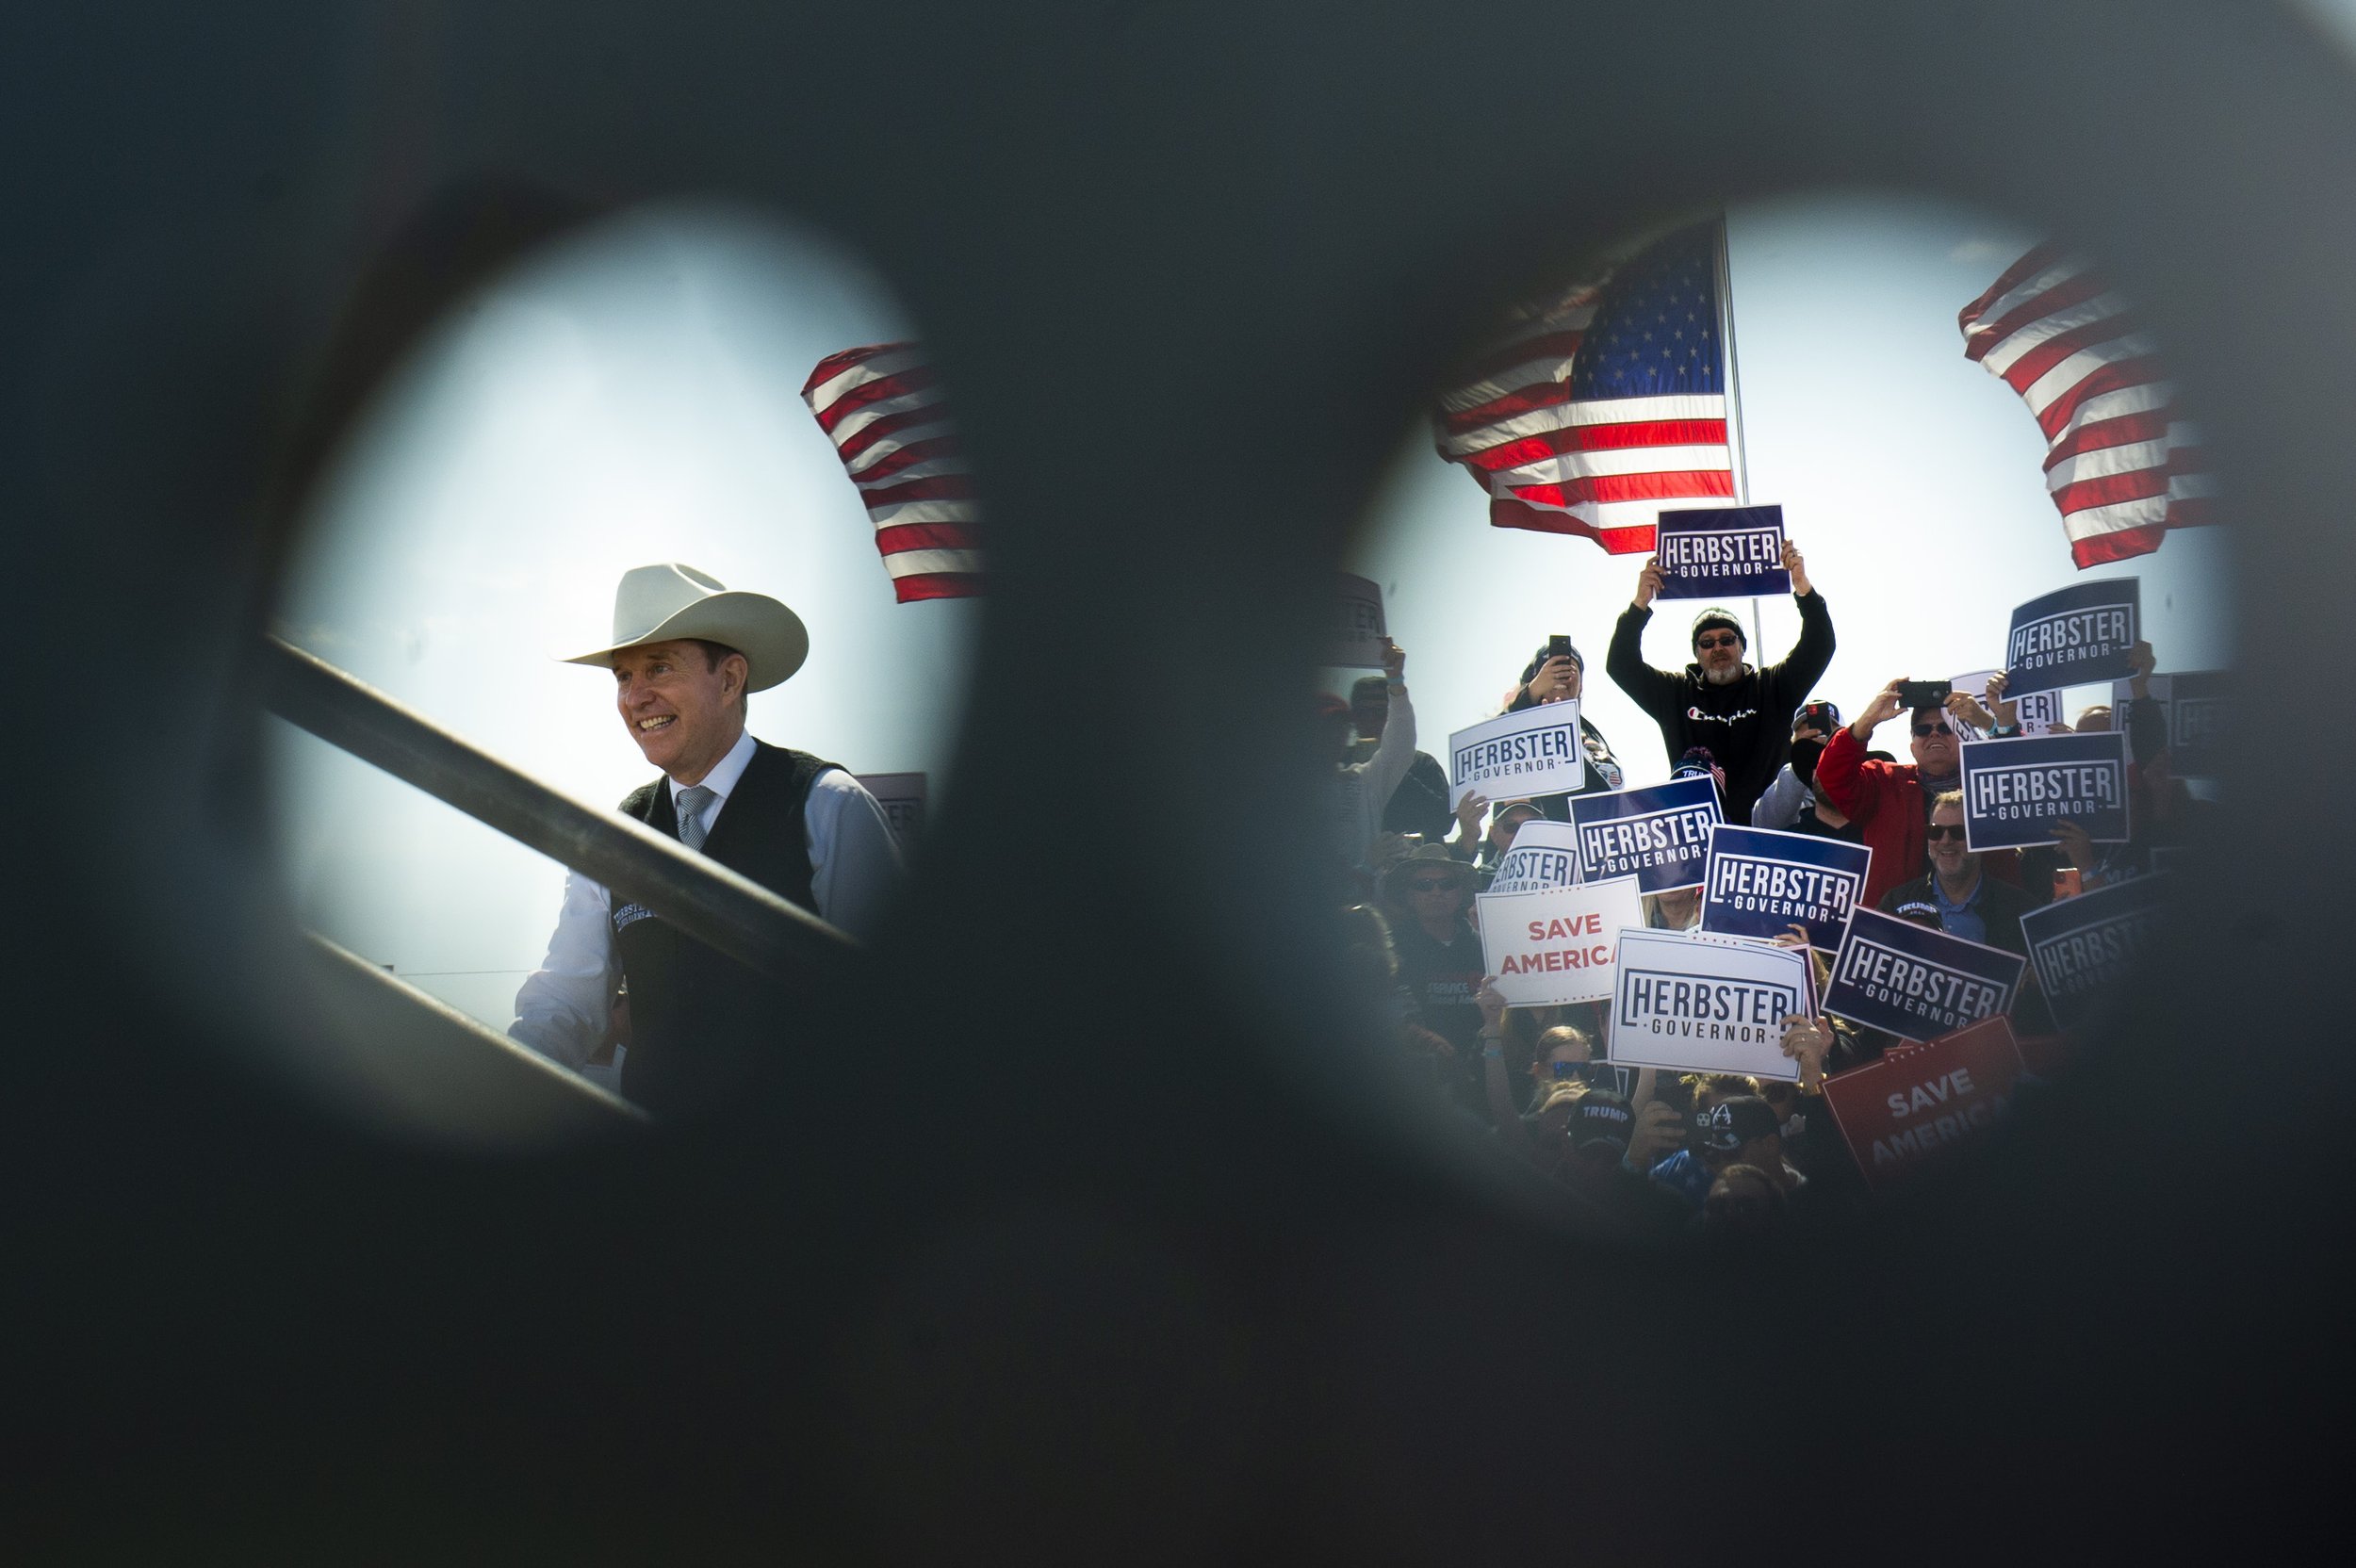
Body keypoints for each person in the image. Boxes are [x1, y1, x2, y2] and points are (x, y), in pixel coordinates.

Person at [509, 563, 905, 1111]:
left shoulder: (827, 804)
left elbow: (888, 1005)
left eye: (660, 667)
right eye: (623, 676)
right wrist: (501, 1083)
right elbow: (566, 1001)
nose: (636, 697)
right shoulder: (613, 840)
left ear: (729, 679)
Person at [1605, 539, 1835, 824]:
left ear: (1742, 646)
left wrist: (1802, 587)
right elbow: (1620, 665)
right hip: (1701, 832)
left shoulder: (1773, 687)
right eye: (1707, 642)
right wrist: (1640, 604)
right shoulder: (1676, 693)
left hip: (1767, 830)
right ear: (1696, 652)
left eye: (1727, 639)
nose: (1717, 648)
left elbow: (1820, 645)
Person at [1815, 677, 2018, 910]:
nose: (1934, 734)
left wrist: (1994, 724)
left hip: (1987, 928)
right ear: (1912, 746)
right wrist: (1868, 720)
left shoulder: (1988, 782)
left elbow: (2024, 781)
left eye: (1945, 727)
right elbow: (1831, 775)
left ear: (1961, 737)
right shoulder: (1883, 781)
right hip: (1895, 930)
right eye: (1923, 729)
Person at [1879, 792, 2037, 956]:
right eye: (1935, 832)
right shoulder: (1895, 903)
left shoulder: (2021, 911)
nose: (1946, 841)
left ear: (1980, 839)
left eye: (1958, 832)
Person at [1380, 843, 1486, 1069]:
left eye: (1447, 884)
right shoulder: (1391, 948)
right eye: (1424, 885)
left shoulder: (1485, 944)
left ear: (1460, 893)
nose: (1436, 892)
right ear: (1408, 896)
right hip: (1420, 1069)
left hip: (1484, 1062)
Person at [1496, 640, 1627, 816]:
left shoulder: (1588, 731)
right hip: (1545, 836)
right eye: (1554, 669)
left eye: (1572, 669)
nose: (1563, 675)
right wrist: (1531, 693)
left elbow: (1606, 792)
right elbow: (1496, 741)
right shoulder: (1518, 722)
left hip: (1593, 833)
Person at [1325, 639, 1416, 884]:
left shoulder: (1361, 780)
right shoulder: (1283, 796)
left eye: (1340, 728)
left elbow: (1400, 747)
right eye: (1323, 729)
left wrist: (1396, 682)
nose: (1334, 736)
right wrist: (1364, 866)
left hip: (1366, 913)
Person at [1347, 673, 1455, 844]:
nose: (1371, 719)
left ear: (1393, 717)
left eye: (1379, 712)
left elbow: (1444, 822)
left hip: (1408, 863)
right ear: (1352, 718)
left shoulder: (1422, 764)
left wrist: (1395, 768)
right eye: (1362, 713)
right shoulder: (1339, 764)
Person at [1751, 700, 1846, 832]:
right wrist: (1801, 761)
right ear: (1793, 742)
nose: (1817, 738)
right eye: (1805, 733)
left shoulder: (1861, 774)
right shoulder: (1788, 779)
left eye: (1826, 731)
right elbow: (1764, 825)